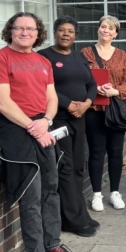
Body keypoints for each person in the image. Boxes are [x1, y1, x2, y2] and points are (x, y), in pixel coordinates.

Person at [0, 12, 71, 252]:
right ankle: (35, 248)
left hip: (42, 123)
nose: (25, 32)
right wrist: (35, 127)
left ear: (38, 33)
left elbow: (51, 97)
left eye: (31, 29)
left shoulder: (43, 62)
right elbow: (2, 103)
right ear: (10, 31)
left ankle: (53, 244)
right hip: (14, 127)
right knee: (31, 194)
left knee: (51, 189)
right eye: (19, 28)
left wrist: (46, 120)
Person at [38, 16, 99, 237]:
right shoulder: (44, 57)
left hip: (79, 119)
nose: (66, 34)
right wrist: (70, 104)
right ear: (55, 32)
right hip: (58, 120)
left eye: (70, 31)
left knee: (76, 168)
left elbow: (91, 83)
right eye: (62, 30)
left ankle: (79, 214)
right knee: (64, 168)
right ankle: (73, 221)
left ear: (75, 35)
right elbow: (44, 88)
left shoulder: (79, 56)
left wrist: (86, 104)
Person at [81, 15, 126, 212]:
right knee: (96, 153)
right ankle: (96, 194)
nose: (106, 31)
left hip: (115, 111)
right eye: (103, 26)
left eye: (111, 28)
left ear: (116, 33)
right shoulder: (85, 53)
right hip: (94, 110)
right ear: (98, 29)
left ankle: (114, 192)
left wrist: (116, 91)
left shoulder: (120, 55)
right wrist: (92, 89)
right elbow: (79, 78)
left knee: (115, 152)